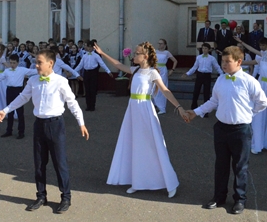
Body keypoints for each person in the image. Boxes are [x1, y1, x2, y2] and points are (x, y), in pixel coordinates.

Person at [0, 49, 89, 214]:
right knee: (39, 163)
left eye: (39, 62)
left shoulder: (60, 81)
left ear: (50, 63)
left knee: (60, 163)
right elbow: (23, 97)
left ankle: (66, 197)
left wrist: (81, 123)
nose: (36, 65)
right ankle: (41, 195)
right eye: (35, 62)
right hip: (39, 125)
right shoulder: (33, 80)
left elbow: (72, 102)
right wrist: (5, 110)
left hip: (56, 125)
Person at [94, 41, 188, 198]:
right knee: (135, 145)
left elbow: (165, 90)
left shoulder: (152, 73)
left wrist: (179, 107)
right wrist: (102, 54)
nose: (134, 55)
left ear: (145, 56)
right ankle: (137, 181)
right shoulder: (135, 70)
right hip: (132, 111)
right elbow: (118, 65)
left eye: (137, 53)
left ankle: (169, 183)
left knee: (154, 145)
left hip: (145, 110)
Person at [184, 46, 267, 215]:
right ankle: (219, 196)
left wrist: (248, 114)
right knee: (221, 165)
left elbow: (262, 102)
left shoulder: (249, 81)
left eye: (227, 62)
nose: (223, 64)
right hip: (221, 128)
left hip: (241, 130)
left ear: (239, 62)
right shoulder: (221, 80)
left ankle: (239, 200)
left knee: (240, 167)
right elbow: (213, 101)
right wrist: (196, 112)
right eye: (222, 61)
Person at [0, 54, 37, 139]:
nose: (12, 65)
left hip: (18, 91)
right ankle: (9, 130)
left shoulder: (22, 70)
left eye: (14, 63)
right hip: (9, 91)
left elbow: (34, 71)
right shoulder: (7, 71)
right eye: (11, 63)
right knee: (9, 111)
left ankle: (21, 132)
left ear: (18, 62)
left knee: (20, 112)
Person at [182, 43, 223, 111]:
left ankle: (206, 109)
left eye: (206, 48)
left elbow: (217, 67)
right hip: (199, 75)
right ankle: (194, 107)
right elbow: (194, 67)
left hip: (207, 76)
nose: (204, 50)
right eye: (203, 48)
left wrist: (222, 75)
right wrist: (187, 73)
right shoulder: (199, 57)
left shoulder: (212, 58)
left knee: (206, 93)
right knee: (196, 91)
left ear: (209, 50)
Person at [74, 41, 113, 111]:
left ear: (93, 48)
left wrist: (108, 71)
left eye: (90, 47)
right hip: (86, 73)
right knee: (87, 89)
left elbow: (102, 64)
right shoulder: (84, 56)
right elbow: (80, 65)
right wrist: (73, 71)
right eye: (87, 46)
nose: (88, 48)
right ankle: (88, 105)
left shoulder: (96, 56)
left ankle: (92, 105)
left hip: (93, 73)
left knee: (92, 90)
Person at [153, 39, 178, 115]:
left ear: (165, 45)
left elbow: (175, 61)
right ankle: (154, 105)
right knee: (153, 87)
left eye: (161, 43)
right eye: (159, 43)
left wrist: (172, 70)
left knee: (161, 88)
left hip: (163, 71)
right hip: (155, 70)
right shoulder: (155, 52)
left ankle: (162, 108)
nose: (159, 45)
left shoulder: (167, 53)